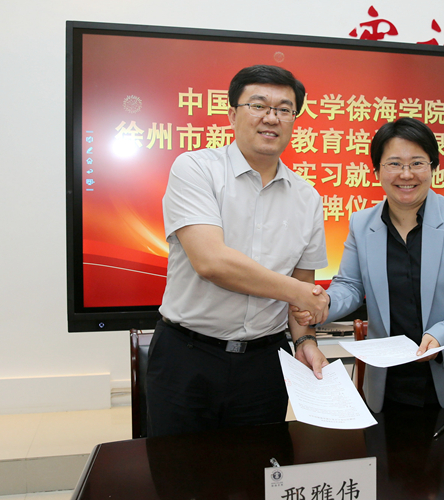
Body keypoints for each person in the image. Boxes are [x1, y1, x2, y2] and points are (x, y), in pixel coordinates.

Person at [147, 65, 330, 437]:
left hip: (264, 366)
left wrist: (305, 339)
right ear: (232, 114)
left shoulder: (307, 197)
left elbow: (301, 294)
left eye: (284, 109)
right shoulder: (195, 169)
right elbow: (212, 262)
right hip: (188, 356)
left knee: (257, 467)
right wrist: (301, 293)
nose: (271, 118)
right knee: (177, 468)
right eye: (258, 105)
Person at [294, 117, 444, 413]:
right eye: (394, 164)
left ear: (433, 167)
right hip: (391, 380)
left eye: (417, 163)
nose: (406, 174)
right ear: (377, 171)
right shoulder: (362, 223)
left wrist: (443, 335)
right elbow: (351, 286)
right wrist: (326, 303)